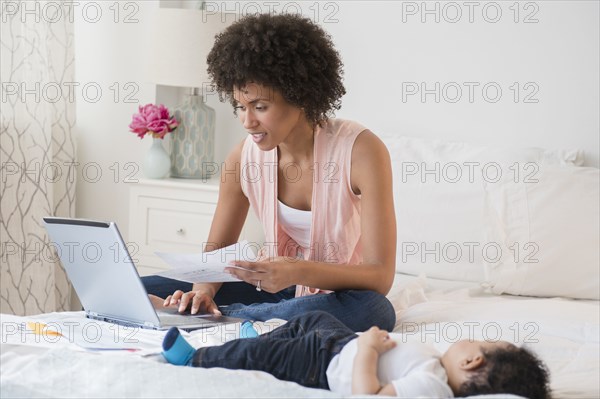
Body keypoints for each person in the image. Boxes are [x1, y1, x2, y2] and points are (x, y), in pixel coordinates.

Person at [142, 13, 397, 332]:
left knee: (375, 310)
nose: (247, 121)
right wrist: (201, 295)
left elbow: (380, 275)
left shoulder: (361, 151)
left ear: (300, 95)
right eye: (240, 106)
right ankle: (212, 314)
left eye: (260, 107)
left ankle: (227, 316)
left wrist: (297, 271)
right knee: (138, 286)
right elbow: (215, 257)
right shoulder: (241, 158)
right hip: (271, 286)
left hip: (338, 293)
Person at [161, 311, 551, 398]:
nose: (469, 340)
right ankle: (262, 337)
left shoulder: (433, 386)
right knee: (314, 317)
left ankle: (194, 359)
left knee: (264, 358)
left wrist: (367, 348)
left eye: (477, 342)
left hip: (323, 364)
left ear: (472, 361)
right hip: (339, 344)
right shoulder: (433, 366)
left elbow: (370, 396)